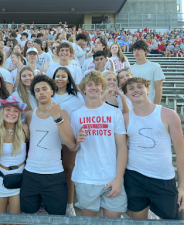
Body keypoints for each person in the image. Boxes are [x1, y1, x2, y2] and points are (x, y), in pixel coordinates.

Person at [121, 77, 184, 220]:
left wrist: (182, 186)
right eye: (131, 88)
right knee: (139, 221)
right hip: (134, 177)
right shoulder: (124, 119)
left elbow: (180, 152)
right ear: (126, 94)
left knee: (172, 221)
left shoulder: (169, 115)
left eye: (139, 86)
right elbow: (121, 150)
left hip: (163, 178)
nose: (136, 90)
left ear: (147, 89)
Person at [70, 70, 128, 218]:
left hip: (111, 177)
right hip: (86, 177)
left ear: (103, 88)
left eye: (97, 84)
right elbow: (73, 148)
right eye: (89, 85)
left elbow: (122, 147)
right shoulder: (76, 115)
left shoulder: (114, 113)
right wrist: (77, 142)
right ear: (83, 89)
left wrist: (119, 178)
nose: (93, 87)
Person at [20, 75, 76, 215]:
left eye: (44, 89)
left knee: (56, 217)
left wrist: (57, 118)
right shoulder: (29, 115)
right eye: (37, 90)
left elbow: (70, 144)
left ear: (52, 91)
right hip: (30, 173)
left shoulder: (62, 113)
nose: (41, 92)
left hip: (54, 174)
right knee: (29, 215)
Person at [51, 67, 85, 216]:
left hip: (68, 138)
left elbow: (81, 116)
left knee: (69, 170)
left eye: (63, 76)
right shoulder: (49, 95)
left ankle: (69, 205)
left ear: (68, 79)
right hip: (50, 139)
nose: (60, 79)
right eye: (57, 76)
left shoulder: (76, 96)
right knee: (52, 171)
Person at [0, 96, 29, 218]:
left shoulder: (25, 129)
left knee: (15, 221)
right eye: (8, 109)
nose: (11, 113)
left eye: (15, 110)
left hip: (20, 179)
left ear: (19, 114)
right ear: (2, 112)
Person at [130, 40, 164, 105]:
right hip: (133, 106)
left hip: (150, 104)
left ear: (145, 51)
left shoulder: (155, 66)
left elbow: (158, 88)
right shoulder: (130, 68)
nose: (136, 52)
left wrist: (156, 106)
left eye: (139, 49)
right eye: (134, 50)